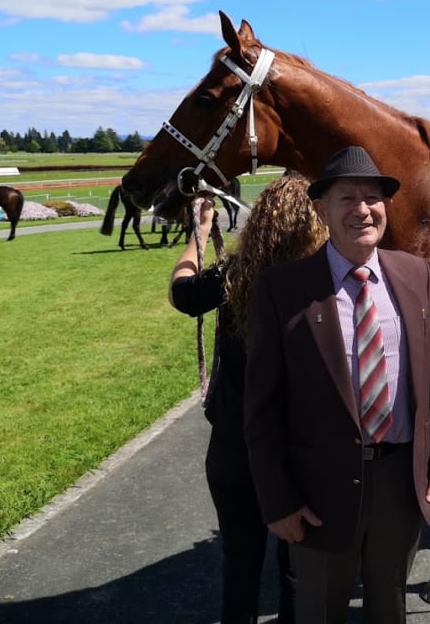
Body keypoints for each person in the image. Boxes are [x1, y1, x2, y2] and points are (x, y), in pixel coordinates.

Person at [245, 146, 430, 623]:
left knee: (388, 608)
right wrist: (278, 501)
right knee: (320, 611)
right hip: (319, 490)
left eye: (372, 197)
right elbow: (262, 408)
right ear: (321, 209)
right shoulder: (283, 289)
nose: (362, 209)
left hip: (401, 484)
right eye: (347, 198)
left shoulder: (414, 274)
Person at [170, 173, 326, 624]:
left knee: (239, 563)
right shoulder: (323, 281)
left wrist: (199, 232)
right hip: (299, 449)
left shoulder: (231, 275)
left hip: (235, 445)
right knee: (296, 568)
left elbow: (182, 291)